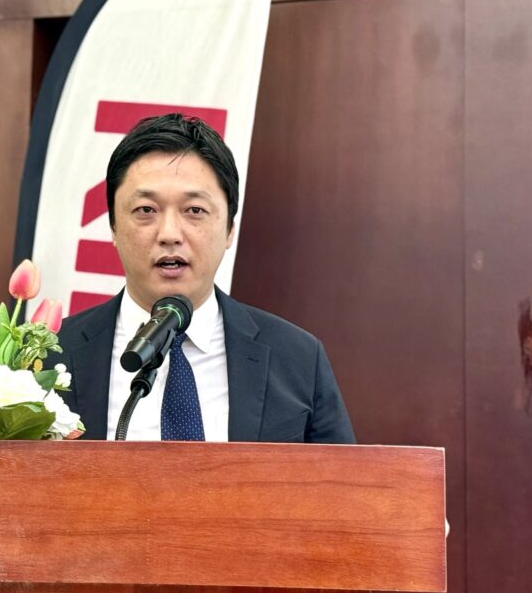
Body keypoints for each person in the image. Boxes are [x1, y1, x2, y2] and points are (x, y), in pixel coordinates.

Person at [50, 113, 355, 443]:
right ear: (113, 226)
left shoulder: (298, 359)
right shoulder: (49, 358)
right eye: (146, 210)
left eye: (194, 210)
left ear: (229, 229)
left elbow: (340, 476)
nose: (169, 234)